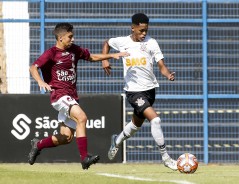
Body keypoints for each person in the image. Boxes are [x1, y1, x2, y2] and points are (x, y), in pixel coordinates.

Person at [28, 23, 129, 170]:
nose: (73, 39)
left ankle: (38, 144)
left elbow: (91, 56)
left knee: (66, 137)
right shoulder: (51, 53)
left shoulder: (74, 50)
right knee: (82, 118)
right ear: (61, 38)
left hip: (71, 96)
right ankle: (84, 158)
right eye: (70, 36)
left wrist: (111, 55)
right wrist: (40, 81)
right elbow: (33, 67)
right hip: (59, 95)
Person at [101, 13, 177, 171]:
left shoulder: (152, 43)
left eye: (146, 31)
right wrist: (105, 59)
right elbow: (107, 43)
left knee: (136, 125)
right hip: (134, 92)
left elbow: (161, 65)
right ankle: (166, 158)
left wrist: (168, 74)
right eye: (141, 30)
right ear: (133, 27)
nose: (144, 34)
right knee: (155, 120)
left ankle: (116, 141)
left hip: (150, 90)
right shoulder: (122, 42)